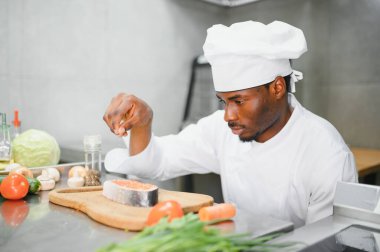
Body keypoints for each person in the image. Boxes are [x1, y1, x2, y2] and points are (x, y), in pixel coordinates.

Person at [103, 20, 358, 227]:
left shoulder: (326, 155)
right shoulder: (221, 130)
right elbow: (157, 163)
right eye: (223, 102)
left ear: (277, 87)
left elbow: (327, 245)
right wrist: (142, 125)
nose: (228, 115)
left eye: (239, 100)